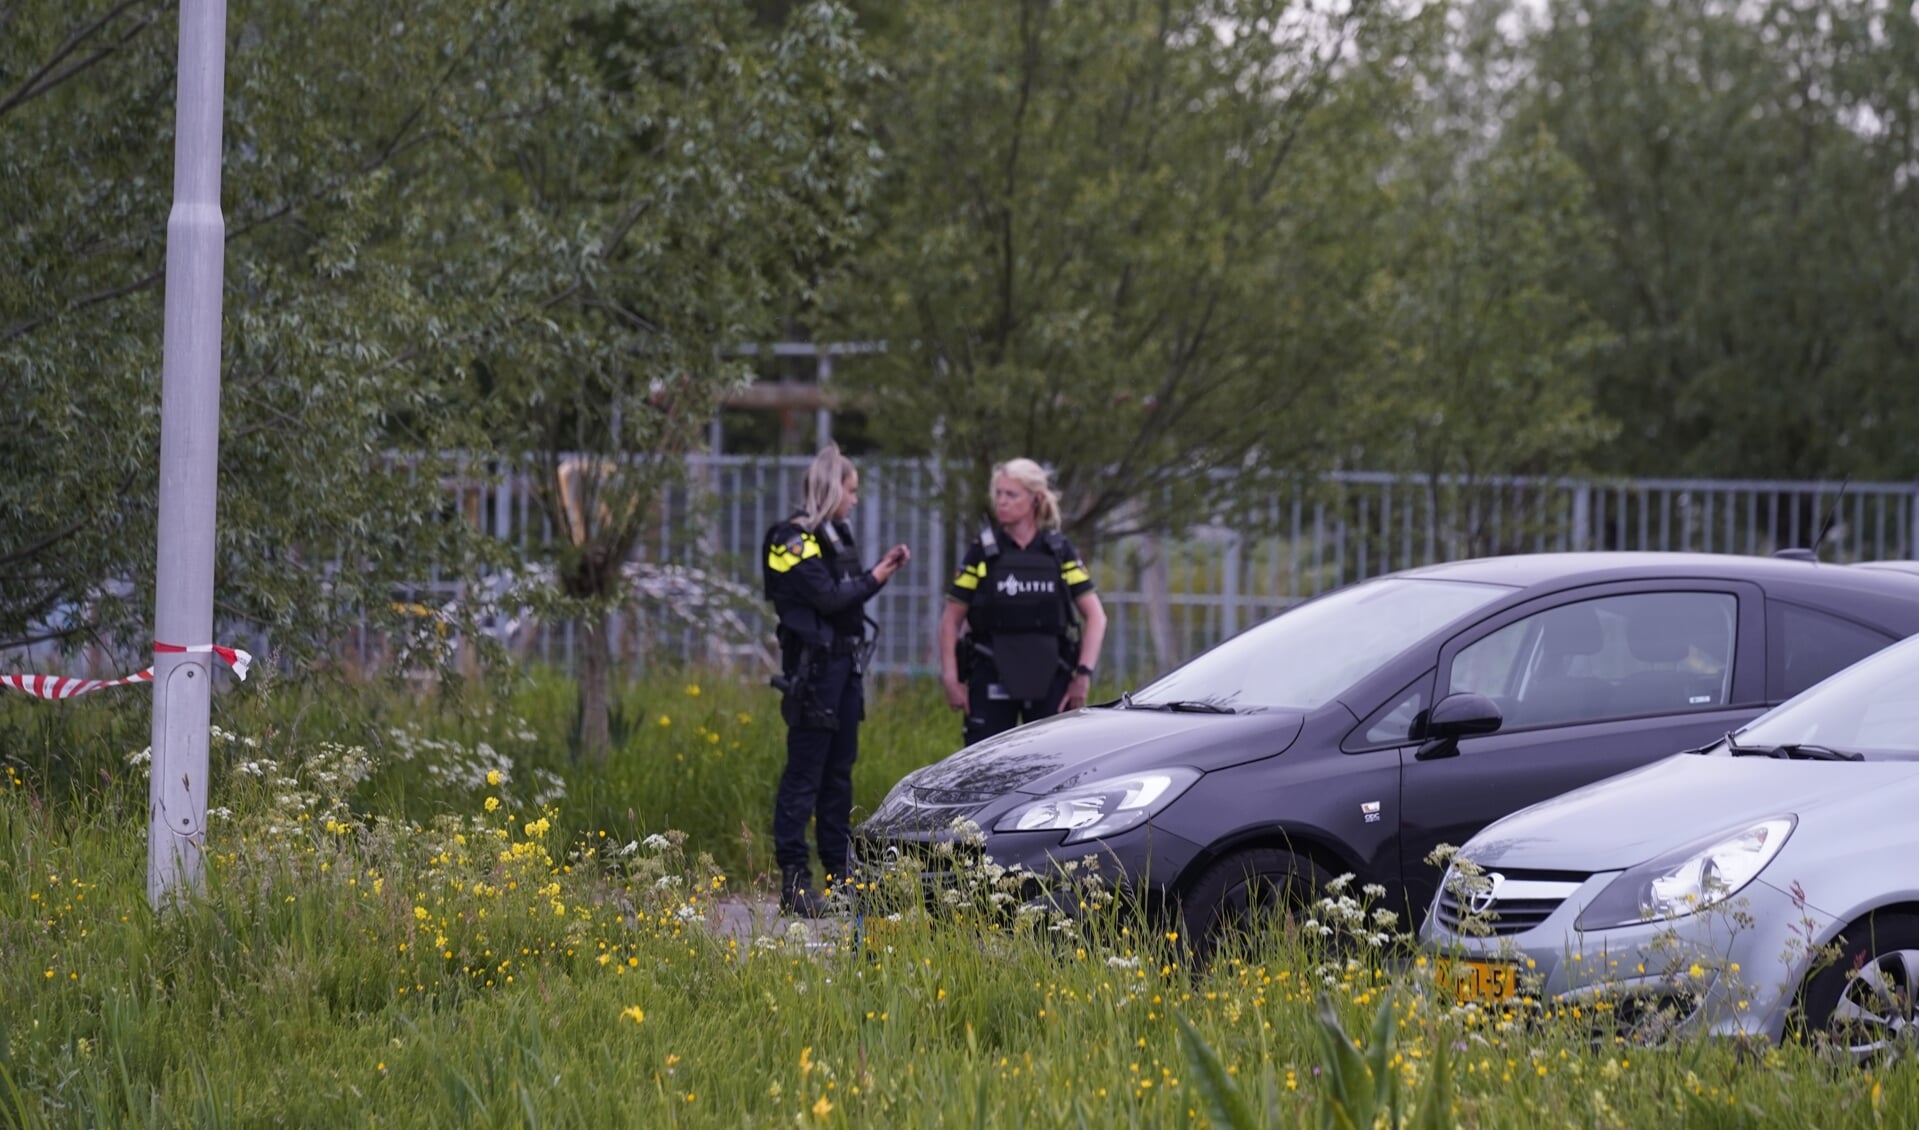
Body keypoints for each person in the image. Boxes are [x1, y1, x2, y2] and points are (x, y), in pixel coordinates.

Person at [762, 445, 910, 917]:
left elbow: (847, 598)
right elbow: (827, 599)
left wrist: (872, 577)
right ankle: (793, 881)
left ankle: (840, 878)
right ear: (832, 489)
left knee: (838, 777)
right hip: (812, 672)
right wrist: (879, 574)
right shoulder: (791, 539)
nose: (856, 500)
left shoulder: (836, 535)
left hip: (845, 671)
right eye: (851, 490)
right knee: (804, 776)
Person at [939, 458, 1107, 745]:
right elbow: (951, 619)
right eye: (999, 494)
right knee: (985, 771)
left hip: (1050, 676)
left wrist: (1082, 675)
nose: (1001, 502)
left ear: (1035, 499)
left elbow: (1096, 616)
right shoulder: (983, 551)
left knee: (1051, 769)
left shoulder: (1058, 551)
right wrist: (951, 679)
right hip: (991, 673)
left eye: (1011, 494)